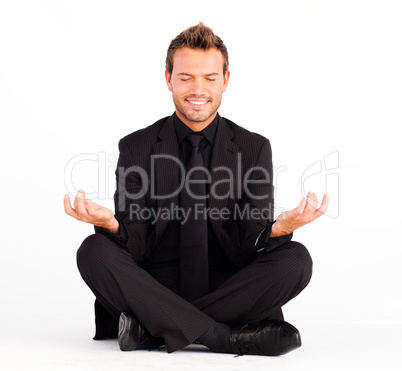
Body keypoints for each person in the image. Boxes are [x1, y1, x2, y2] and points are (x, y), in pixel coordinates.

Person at [64, 22, 328, 356]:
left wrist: (279, 229)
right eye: (186, 77)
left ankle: (155, 329)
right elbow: (135, 242)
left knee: (296, 260)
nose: (197, 89)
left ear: (225, 81)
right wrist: (111, 225)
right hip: (153, 286)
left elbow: (250, 242)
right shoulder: (137, 146)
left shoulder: (253, 147)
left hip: (228, 286)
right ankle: (221, 336)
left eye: (210, 78)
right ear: (168, 79)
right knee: (93, 250)